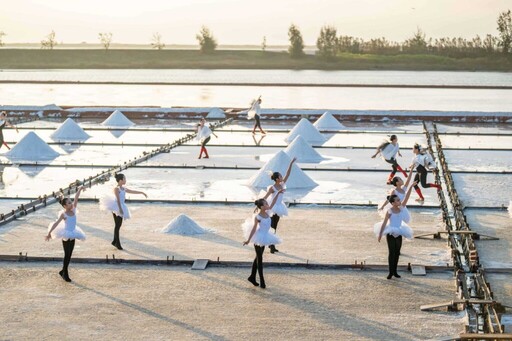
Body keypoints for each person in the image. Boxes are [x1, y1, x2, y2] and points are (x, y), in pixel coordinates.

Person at [242, 189, 285, 289]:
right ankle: (262, 280)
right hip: (258, 238)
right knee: (260, 259)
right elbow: (254, 229)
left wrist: (278, 193)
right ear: (261, 207)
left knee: (258, 257)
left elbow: (273, 202)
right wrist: (248, 240)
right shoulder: (258, 216)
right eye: (265, 204)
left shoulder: (268, 211)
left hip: (265, 236)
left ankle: (252, 277)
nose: (267, 204)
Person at [375, 181, 417, 279]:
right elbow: (385, 223)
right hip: (390, 232)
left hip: (399, 231)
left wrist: (411, 186)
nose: (400, 201)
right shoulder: (389, 211)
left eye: (399, 200)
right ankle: (390, 272)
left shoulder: (402, 208)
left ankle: (395, 272)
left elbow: (407, 197)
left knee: (397, 252)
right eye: (398, 200)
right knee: (391, 252)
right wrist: (380, 234)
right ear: (393, 203)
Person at [45, 186, 87, 282]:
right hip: (66, 234)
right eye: (69, 203)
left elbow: (76, 198)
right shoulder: (63, 214)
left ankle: (63, 271)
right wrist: (49, 233)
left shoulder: (74, 210)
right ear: (64, 206)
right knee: (66, 254)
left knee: (70, 254)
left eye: (71, 202)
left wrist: (80, 189)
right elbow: (56, 223)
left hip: (73, 233)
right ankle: (65, 273)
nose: (71, 203)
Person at [99, 173, 147, 250]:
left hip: (121, 206)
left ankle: (114, 241)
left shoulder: (123, 188)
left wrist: (142, 192)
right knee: (117, 225)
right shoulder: (116, 189)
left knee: (118, 225)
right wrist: (120, 209)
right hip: (116, 207)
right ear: (120, 180)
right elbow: (117, 199)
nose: (125, 180)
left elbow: (132, 191)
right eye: (124, 179)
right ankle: (117, 244)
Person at [262, 157, 296, 253]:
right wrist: (258, 206)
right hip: (272, 207)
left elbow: (288, 174)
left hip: (279, 207)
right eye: (280, 177)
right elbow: (265, 197)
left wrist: (291, 163)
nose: (282, 178)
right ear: (277, 179)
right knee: (272, 225)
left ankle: (271, 244)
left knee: (275, 225)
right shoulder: (272, 188)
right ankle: (271, 245)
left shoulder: (282, 185)